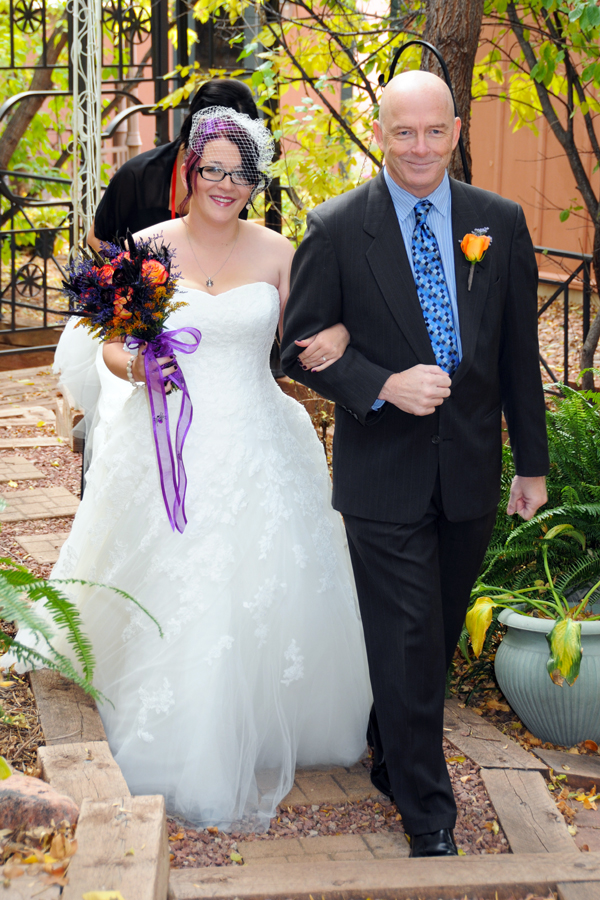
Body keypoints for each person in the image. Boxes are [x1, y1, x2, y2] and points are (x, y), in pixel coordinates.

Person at [3, 106, 372, 832]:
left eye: (241, 174)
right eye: (213, 170)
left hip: (257, 437)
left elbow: (306, 337)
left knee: (257, 576)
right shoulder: (145, 247)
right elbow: (106, 348)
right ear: (190, 171)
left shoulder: (279, 253)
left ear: (254, 180)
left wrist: (336, 331)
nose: (226, 185)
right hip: (162, 436)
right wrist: (134, 364)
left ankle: (253, 722)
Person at [281, 70, 549, 857]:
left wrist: (529, 464)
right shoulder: (335, 229)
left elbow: (517, 357)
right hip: (382, 475)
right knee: (405, 638)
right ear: (381, 133)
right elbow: (296, 348)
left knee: (426, 640)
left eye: (435, 131)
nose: (420, 146)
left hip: (467, 471)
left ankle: (389, 745)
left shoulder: (497, 221)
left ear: (457, 131)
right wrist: (379, 383)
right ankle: (429, 811)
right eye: (404, 132)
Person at [87, 79, 260, 250]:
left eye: (240, 142)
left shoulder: (239, 182)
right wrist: (132, 272)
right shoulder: (136, 176)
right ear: (195, 127)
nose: (227, 185)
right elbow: (95, 238)